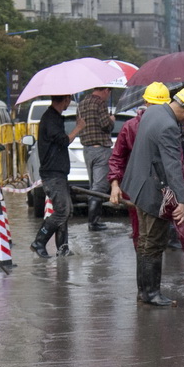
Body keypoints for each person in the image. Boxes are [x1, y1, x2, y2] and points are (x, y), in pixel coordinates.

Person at [121, 86, 184, 306]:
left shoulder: (153, 112)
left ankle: (144, 291)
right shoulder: (168, 126)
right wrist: (180, 201)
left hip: (137, 186)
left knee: (145, 241)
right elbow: (173, 166)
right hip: (152, 192)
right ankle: (151, 293)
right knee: (155, 243)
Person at [109, 82, 171, 253]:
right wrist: (115, 185)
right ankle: (146, 275)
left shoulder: (171, 126)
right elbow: (117, 158)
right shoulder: (131, 127)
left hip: (160, 188)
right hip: (138, 188)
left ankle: (149, 274)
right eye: (154, 105)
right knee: (142, 235)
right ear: (146, 103)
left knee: (155, 237)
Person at [29, 95, 85, 258]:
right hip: (52, 174)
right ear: (66, 99)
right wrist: (78, 128)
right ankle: (39, 241)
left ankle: (63, 247)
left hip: (59, 173)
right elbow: (63, 140)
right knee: (62, 211)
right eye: (69, 99)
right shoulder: (50, 119)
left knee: (66, 211)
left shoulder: (56, 118)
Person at [77, 85, 115, 232]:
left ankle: (94, 220)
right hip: (101, 149)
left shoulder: (82, 103)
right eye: (108, 92)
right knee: (99, 187)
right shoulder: (100, 103)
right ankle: (93, 222)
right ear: (105, 90)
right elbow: (106, 125)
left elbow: (79, 125)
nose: (108, 96)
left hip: (87, 150)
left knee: (93, 185)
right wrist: (111, 119)